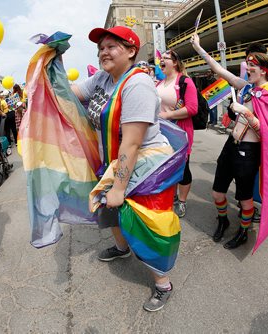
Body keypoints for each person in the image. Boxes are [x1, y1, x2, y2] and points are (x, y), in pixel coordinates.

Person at [72, 26, 179, 312]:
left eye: (111, 46)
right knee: (109, 211)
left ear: (131, 51)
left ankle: (163, 283)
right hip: (113, 161)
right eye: (100, 48)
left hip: (145, 166)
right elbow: (72, 92)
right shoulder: (103, 78)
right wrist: (51, 66)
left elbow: (132, 143)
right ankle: (121, 250)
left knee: (147, 224)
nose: (103, 51)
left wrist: (118, 187)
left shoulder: (137, 84)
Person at [191, 33, 268, 249]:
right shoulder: (247, 87)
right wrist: (198, 48)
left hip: (249, 152)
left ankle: (243, 231)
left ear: (264, 71)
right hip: (231, 145)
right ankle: (223, 220)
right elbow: (219, 70)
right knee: (217, 192)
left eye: (252, 67)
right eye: (247, 65)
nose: (247, 69)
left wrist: (246, 113)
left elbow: (266, 132)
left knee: (245, 198)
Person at [157, 49, 198, 218]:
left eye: (166, 58)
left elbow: (192, 108)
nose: (162, 60)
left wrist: (168, 115)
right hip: (161, 132)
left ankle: (181, 201)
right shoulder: (159, 83)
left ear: (174, 63)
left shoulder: (185, 81)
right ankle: (171, 196)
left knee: (182, 168)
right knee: (166, 165)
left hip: (179, 131)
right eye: (162, 58)